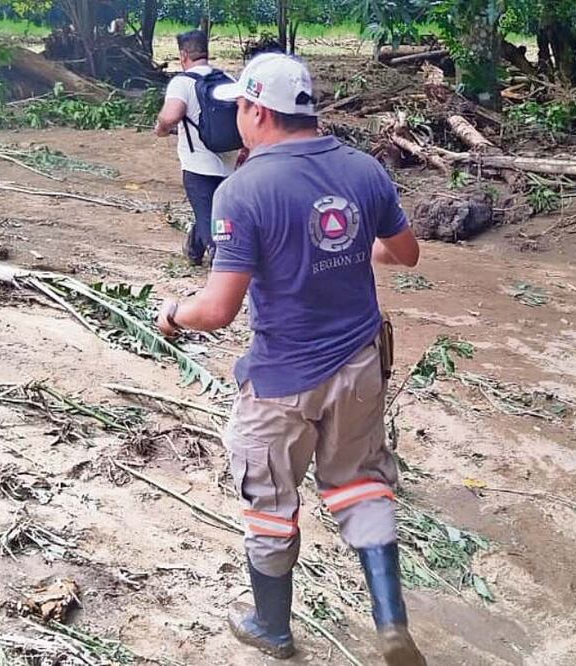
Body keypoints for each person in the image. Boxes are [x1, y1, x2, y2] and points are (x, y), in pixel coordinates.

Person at [155, 53, 426, 665]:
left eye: (239, 112)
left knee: (271, 504)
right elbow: (404, 253)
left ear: (256, 110)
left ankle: (272, 628)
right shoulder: (363, 168)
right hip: (359, 363)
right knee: (360, 483)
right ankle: (390, 621)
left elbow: (219, 309)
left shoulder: (242, 189)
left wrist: (172, 312)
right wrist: (351, 250)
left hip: (281, 379)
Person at [154, 30, 238, 267]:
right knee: (212, 211)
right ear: (206, 51)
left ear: (183, 55)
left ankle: (218, 260)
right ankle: (194, 250)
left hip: (197, 164)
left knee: (210, 218)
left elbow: (170, 116)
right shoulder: (228, 79)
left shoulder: (182, 83)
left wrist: (160, 127)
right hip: (229, 163)